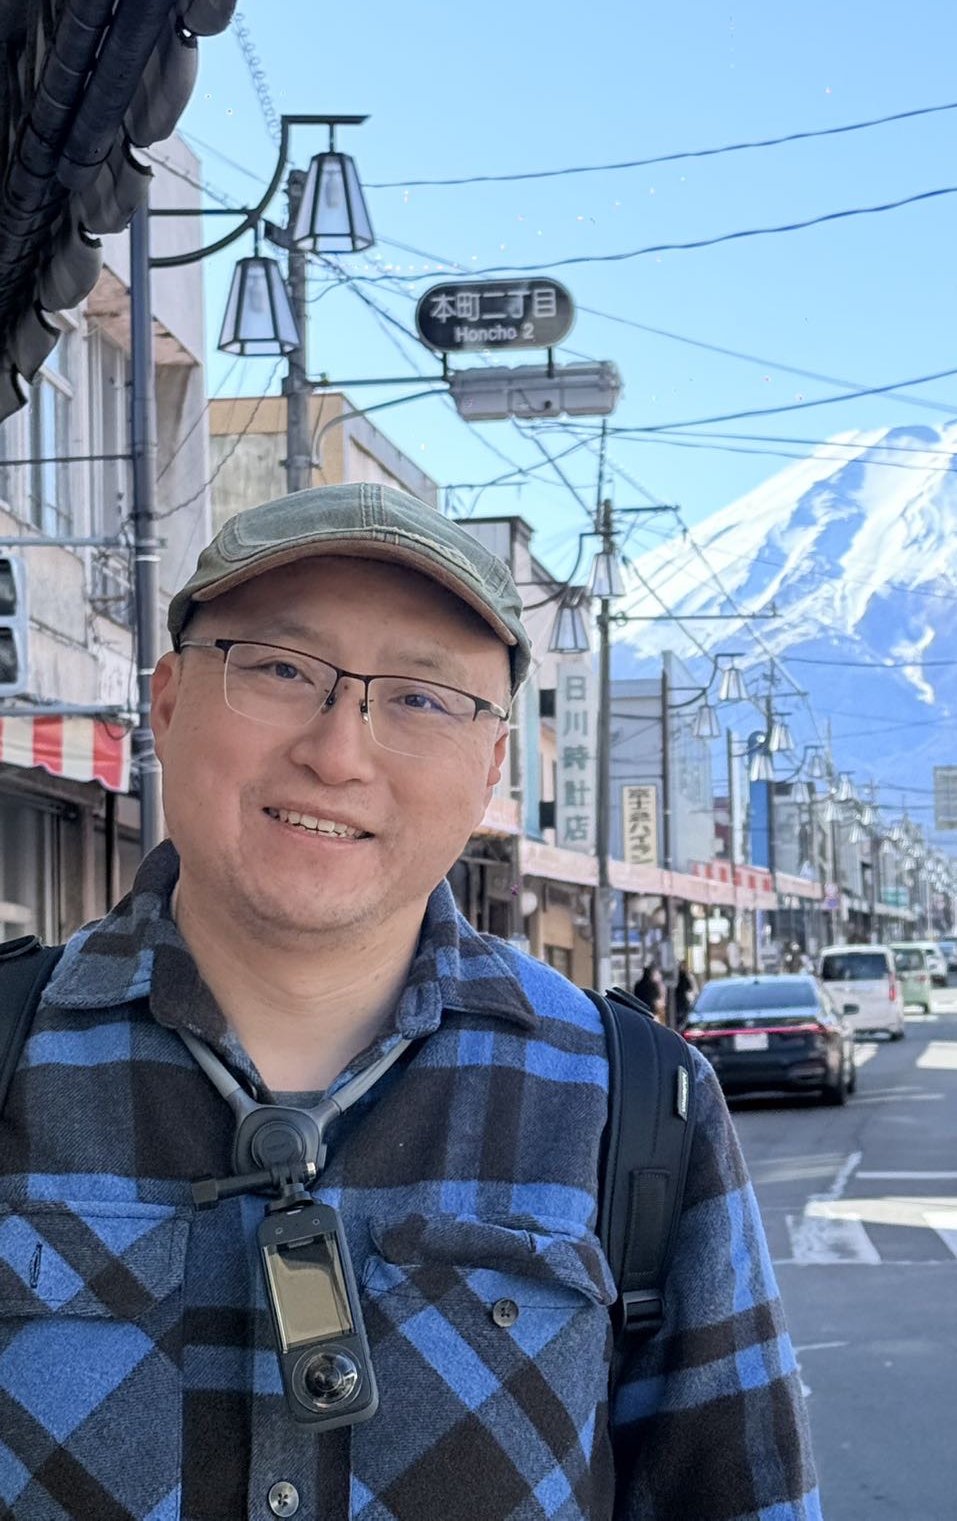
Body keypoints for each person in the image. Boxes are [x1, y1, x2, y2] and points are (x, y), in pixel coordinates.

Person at [0, 484, 820, 1521]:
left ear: (491, 766)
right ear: (166, 702)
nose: (337, 754)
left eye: (422, 698)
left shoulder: (637, 1103)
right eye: (281, 668)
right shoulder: (12, 1050)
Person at [674, 964, 698, 1030]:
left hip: (678, 1000)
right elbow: (689, 988)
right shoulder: (685, 976)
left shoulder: (679, 977)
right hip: (682, 1000)